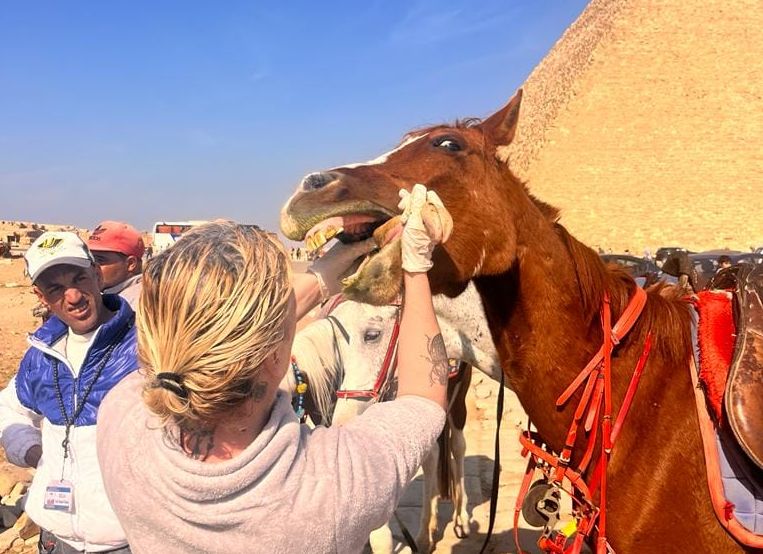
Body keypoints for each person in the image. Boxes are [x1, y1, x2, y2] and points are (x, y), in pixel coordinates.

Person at [97, 185, 451, 553]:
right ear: (273, 356)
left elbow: (208, 343)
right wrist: (416, 266)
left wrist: (319, 277)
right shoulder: (332, 483)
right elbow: (424, 396)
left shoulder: (120, 420)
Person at [0, 231, 137, 553]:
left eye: (79, 279)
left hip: (126, 539)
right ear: (40, 295)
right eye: (56, 288)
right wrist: (33, 452)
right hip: (55, 538)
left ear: (95, 273)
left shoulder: (145, 345)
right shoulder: (43, 352)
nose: (73, 296)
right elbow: (10, 408)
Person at [86, 221, 145, 309]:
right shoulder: (112, 294)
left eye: (100, 260)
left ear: (130, 264)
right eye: (90, 260)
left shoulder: (135, 304)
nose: (92, 267)